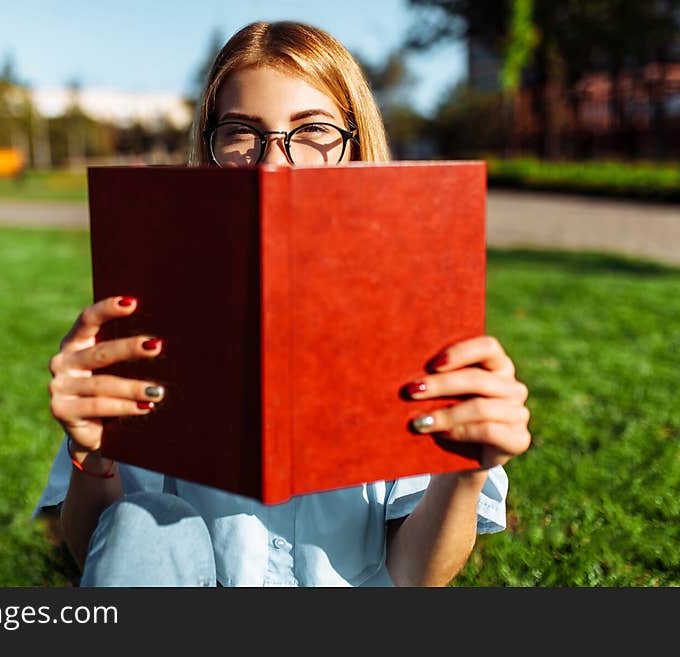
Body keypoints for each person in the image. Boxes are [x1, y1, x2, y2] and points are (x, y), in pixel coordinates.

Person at [34, 20, 531, 587]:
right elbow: (107, 556)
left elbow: (416, 575)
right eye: (242, 133)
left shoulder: (410, 320)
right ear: (209, 147)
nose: (274, 165)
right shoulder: (152, 312)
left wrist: (464, 472)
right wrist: (91, 454)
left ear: (355, 145)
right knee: (145, 521)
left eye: (312, 130)